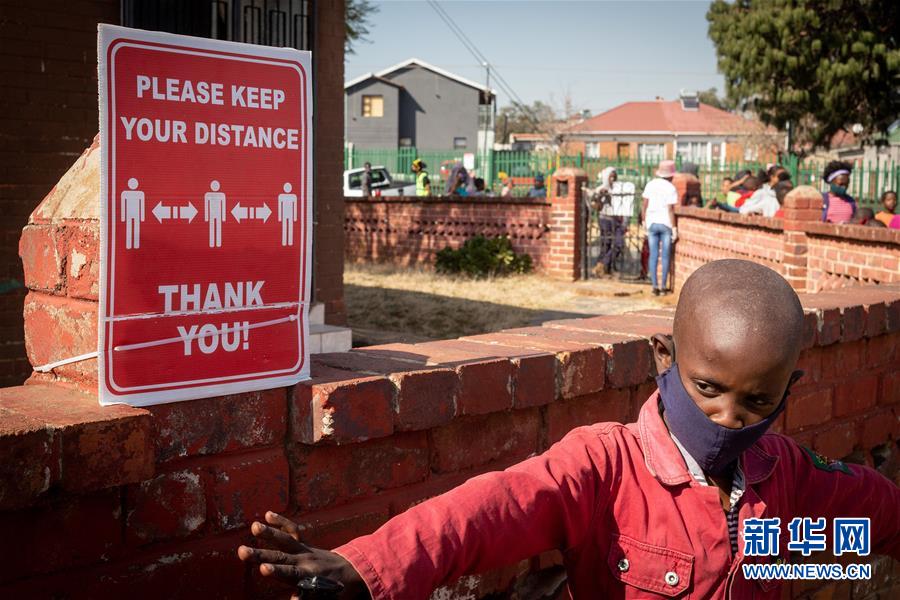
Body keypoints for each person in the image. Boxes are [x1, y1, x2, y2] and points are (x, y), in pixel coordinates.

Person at [236, 260, 900, 599]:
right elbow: (486, 511)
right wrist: (365, 565)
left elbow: (875, 506)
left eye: (757, 400)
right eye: (707, 389)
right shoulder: (604, 466)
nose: (727, 418)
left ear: (790, 391)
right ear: (665, 362)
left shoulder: (788, 473)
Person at [641, 160, 678, 295]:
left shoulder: (651, 184)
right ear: (670, 175)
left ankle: (654, 286)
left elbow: (644, 205)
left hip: (651, 223)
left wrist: (644, 221)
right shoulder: (670, 188)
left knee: (654, 255)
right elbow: (670, 209)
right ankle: (663, 287)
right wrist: (674, 228)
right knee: (665, 256)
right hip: (666, 224)